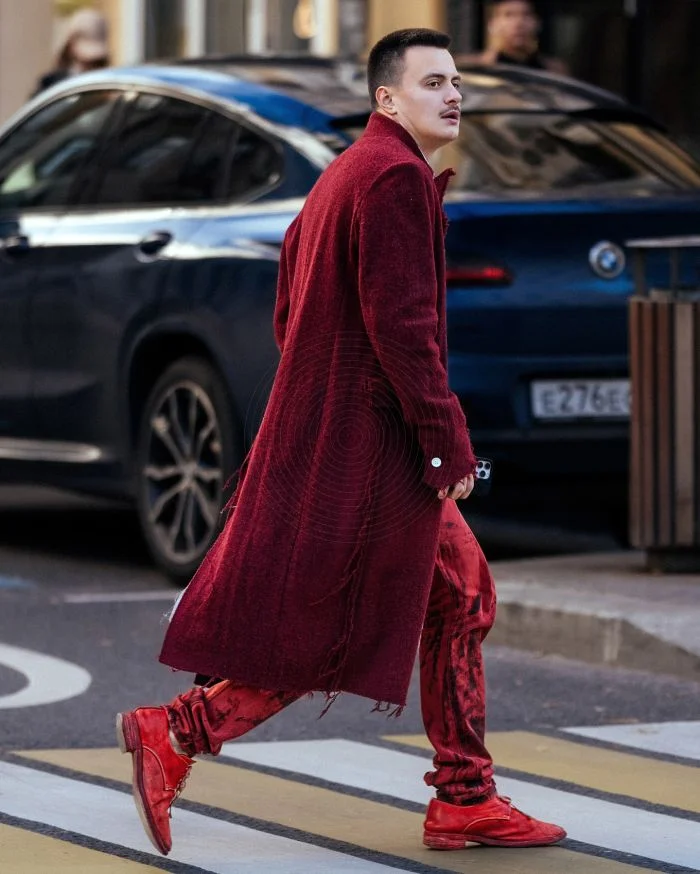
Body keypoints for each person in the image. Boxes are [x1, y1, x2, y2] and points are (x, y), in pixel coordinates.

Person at [116, 28, 567, 857]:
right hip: (375, 451)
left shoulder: (347, 172)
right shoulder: (394, 178)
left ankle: (463, 795)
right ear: (387, 99)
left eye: (456, 81)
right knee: (358, 615)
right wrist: (442, 446)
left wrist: (331, 395)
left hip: (344, 437)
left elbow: (290, 306)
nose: (453, 95)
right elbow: (404, 329)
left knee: (447, 598)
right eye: (433, 83)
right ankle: (180, 731)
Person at [459, 0, 569, 75]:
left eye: (526, 15)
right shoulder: (471, 69)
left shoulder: (554, 71)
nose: (518, 23)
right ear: (492, 24)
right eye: (509, 15)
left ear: (537, 23)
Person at [33, 7, 110, 96]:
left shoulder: (110, 84)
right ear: (71, 45)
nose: (89, 64)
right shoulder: (51, 85)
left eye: (95, 62)